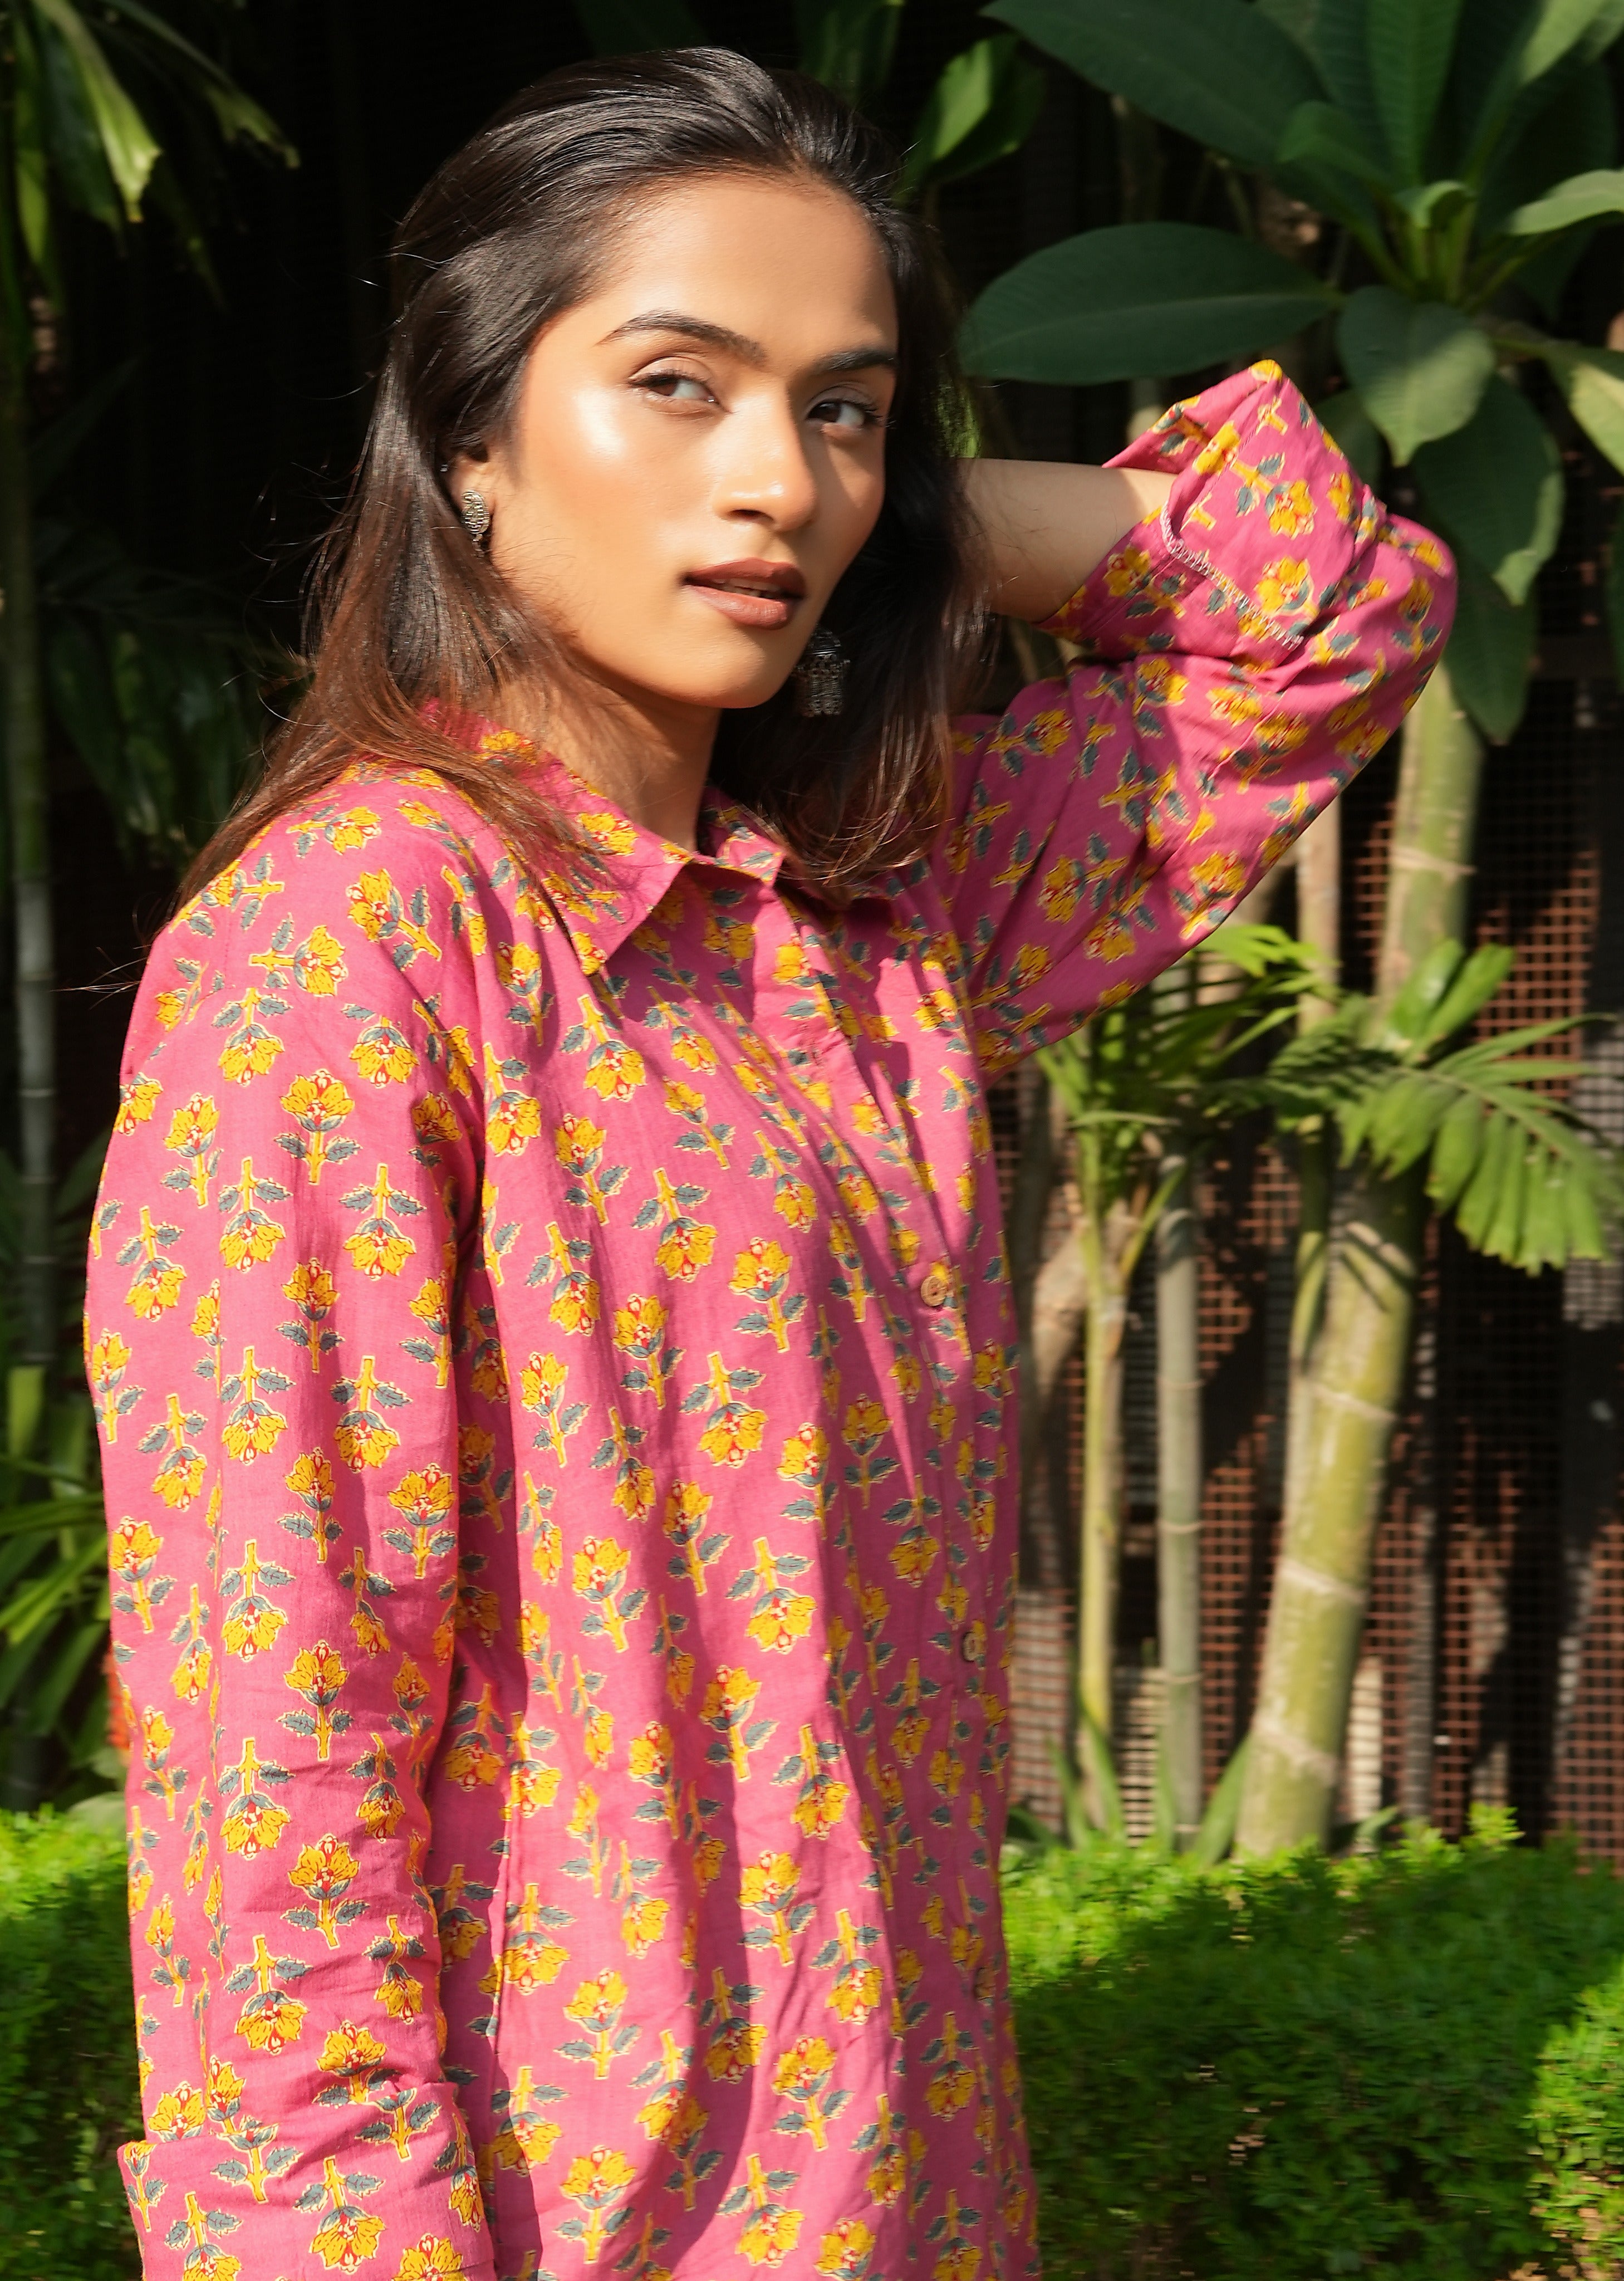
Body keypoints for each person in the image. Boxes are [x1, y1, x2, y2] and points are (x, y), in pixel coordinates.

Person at [87, 47, 1453, 2281]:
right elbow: (280, 1731)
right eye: (676, 384)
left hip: (902, 2196)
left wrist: (909, 521)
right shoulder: (345, 956)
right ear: (469, 447)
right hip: (557, 2221)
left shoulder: (869, 914)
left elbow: (1328, 613)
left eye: (840, 405)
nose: (777, 483)